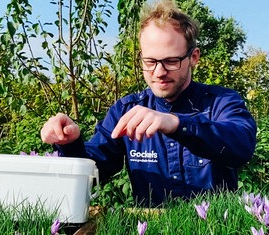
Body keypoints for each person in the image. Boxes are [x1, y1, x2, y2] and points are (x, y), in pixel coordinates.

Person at [40, 0, 257, 206]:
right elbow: (96, 172)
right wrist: (70, 143)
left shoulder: (222, 102)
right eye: (150, 61)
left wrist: (176, 124)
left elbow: (242, 145)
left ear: (194, 57)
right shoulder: (126, 110)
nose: (159, 72)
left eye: (171, 61)